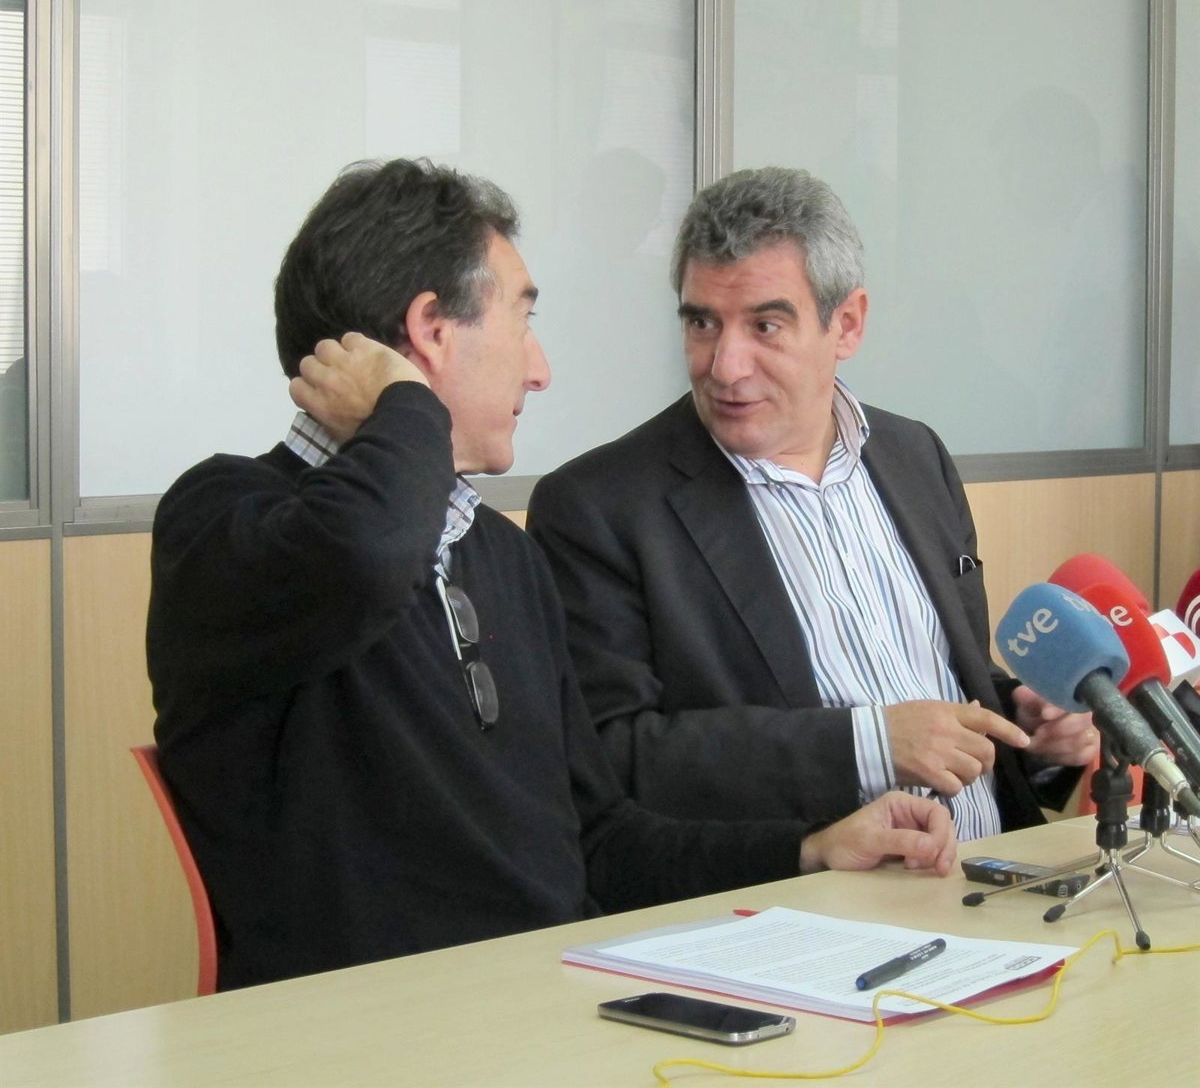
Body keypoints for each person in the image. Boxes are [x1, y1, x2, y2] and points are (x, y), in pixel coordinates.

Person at [146, 158, 957, 992]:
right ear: (431, 332)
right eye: (521, 320)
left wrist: (808, 849)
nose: (539, 368)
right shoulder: (222, 518)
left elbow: (599, 840)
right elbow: (369, 554)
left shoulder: (501, 555)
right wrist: (408, 404)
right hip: (371, 1027)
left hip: (548, 1003)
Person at [526, 166, 1096, 839]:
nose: (725, 364)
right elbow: (611, 754)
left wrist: (1028, 727)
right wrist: (867, 745)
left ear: (846, 324)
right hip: (805, 892)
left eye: (765, 325)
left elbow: (942, 678)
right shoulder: (599, 508)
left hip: (994, 872)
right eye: (703, 323)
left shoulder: (917, 458)